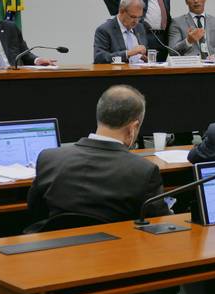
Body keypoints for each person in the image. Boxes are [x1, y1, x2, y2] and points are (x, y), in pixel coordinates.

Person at [27, 84, 170, 225]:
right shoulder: (144, 171)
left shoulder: (48, 158)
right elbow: (158, 224)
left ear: (99, 115)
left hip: (57, 239)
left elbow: (35, 212)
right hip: (116, 240)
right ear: (133, 128)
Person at [93, 0, 148, 64]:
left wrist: (146, 58)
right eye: (133, 17)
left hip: (141, 69)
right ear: (121, 11)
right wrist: (128, 53)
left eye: (139, 17)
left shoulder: (140, 28)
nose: (136, 21)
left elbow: (144, 54)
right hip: (119, 70)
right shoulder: (105, 30)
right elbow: (99, 58)